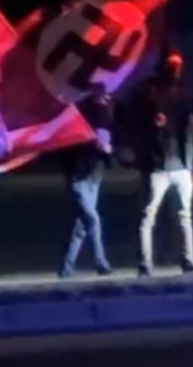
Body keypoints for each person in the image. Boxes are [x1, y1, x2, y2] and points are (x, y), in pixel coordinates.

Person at [133, 50, 193, 277]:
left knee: (182, 217)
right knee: (149, 217)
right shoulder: (149, 94)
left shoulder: (182, 96)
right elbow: (139, 129)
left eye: (178, 65)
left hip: (180, 165)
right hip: (159, 166)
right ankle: (146, 264)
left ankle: (188, 262)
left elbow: (192, 132)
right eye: (173, 65)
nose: (176, 70)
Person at [59, 83, 114, 278]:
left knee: (81, 226)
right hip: (80, 177)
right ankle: (100, 262)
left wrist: (108, 153)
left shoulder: (105, 117)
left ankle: (66, 269)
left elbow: (105, 146)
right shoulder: (83, 121)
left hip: (93, 177)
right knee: (92, 220)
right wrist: (100, 147)